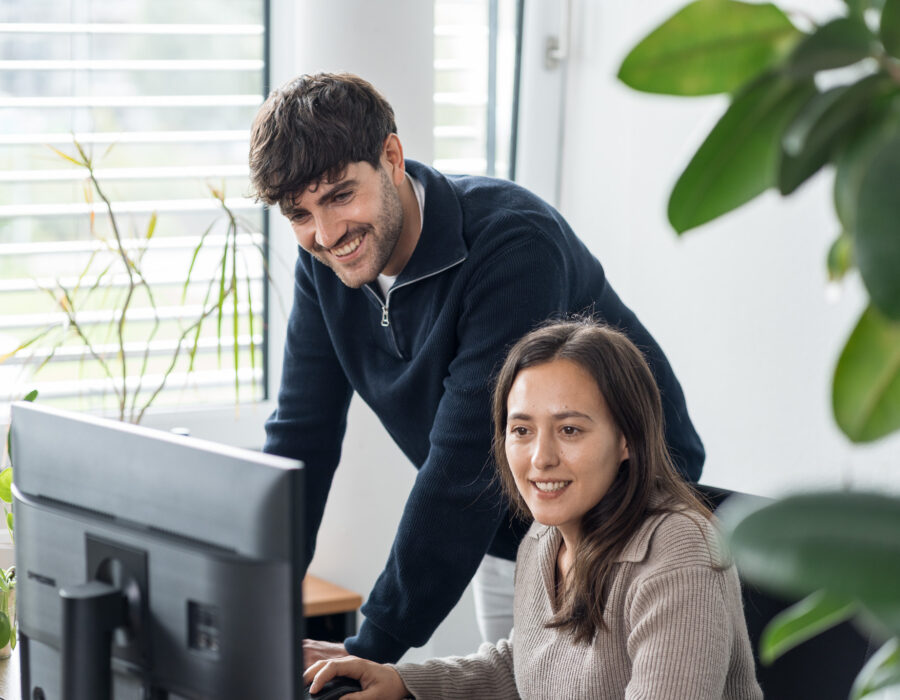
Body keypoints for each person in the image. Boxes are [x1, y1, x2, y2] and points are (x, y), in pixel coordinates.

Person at [249, 72, 705, 664]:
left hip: (629, 521)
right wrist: (252, 605)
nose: (327, 233)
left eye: (339, 195)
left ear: (391, 157)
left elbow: (465, 464)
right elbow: (300, 437)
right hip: (514, 523)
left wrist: (374, 648)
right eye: (299, 213)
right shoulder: (327, 265)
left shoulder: (512, 245)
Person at [304, 319, 763, 699]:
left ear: (627, 439)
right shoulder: (543, 540)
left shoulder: (677, 550)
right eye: (521, 430)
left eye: (569, 430)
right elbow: (524, 667)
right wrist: (404, 682)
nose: (540, 458)